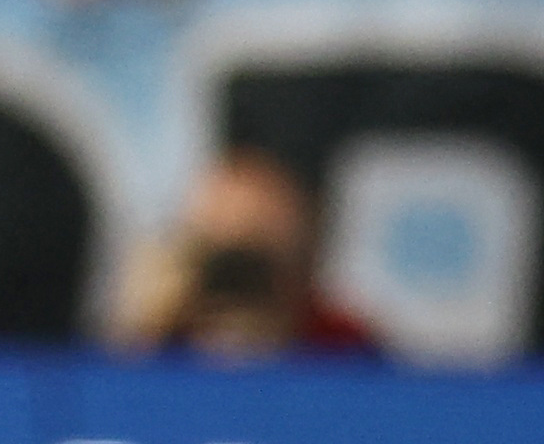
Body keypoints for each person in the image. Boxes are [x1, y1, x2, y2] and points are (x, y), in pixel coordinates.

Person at [124, 149, 386, 362]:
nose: (237, 278)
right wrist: (145, 332)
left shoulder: (342, 347)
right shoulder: (158, 341)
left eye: (254, 254)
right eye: (219, 253)